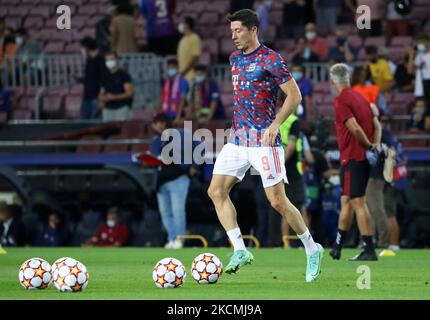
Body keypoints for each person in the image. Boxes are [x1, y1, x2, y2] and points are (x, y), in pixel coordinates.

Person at [207, 9, 323, 282]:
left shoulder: (271, 59)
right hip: (238, 139)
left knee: (277, 202)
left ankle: (312, 248)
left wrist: (275, 124)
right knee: (215, 191)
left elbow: (294, 97)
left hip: (263, 140)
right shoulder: (234, 59)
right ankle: (240, 249)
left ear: (253, 30)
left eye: (238, 30)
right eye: (232, 30)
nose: (233, 35)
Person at [328, 63, 381, 261]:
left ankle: (369, 249)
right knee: (347, 201)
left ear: (333, 81)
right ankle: (337, 247)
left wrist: (368, 146)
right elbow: (376, 124)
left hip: (352, 157)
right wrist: (374, 146)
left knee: (358, 201)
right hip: (361, 157)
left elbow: (355, 128)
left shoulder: (341, 100)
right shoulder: (362, 97)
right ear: (348, 78)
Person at [149, 113, 200, 249]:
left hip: (178, 177)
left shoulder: (182, 133)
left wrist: (194, 165)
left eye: (157, 122)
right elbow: (153, 157)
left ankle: (179, 240)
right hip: (161, 180)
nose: (154, 126)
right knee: (165, 212)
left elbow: (200, 146)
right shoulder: (156, 139)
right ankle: (172, 239)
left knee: (178, 211)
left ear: (163, 122)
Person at [268, 113, 306, 247]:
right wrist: (280, 166)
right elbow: (291, 146)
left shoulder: (273, 117)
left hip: (273, 165)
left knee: (277, 204)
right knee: (291, 205)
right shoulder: (293, 121)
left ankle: (276, 242)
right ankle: (292, 243)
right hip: (290, 170)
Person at [73, 37, 106, 119]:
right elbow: (90, 78)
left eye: (82, 47)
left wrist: (101, 96)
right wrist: (80, 79)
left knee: (94, 123)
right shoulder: (89, 59)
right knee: (83, 123)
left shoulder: (100, 59)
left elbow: (103, 79)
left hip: (96, 97)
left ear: (86, 47)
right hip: (87, 96)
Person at [98, 51, 134, 121]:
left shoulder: (124, 75)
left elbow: (129, 93)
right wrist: (101, 100)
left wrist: (114, 97)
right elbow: (101, 92)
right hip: (107, 109)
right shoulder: (104, 76)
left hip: (121, 109)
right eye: (107, 60)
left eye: (111, 59)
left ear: (116, 60)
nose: (109, 62)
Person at [177, 16, 201, 83]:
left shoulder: (194, 38)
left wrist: (184, 71)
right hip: (183, 76)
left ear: (187, 25)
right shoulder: (183, 39)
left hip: (191, 76)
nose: (181, 25)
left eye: (183, 23)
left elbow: (195, 57)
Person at [407, 34, 430, 103]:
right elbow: (410, 71)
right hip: (423, 83)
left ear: (428, 42)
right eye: (418, 43)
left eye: (421, 43)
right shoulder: (419, 56)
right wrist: (411, 56)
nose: (419, 45)